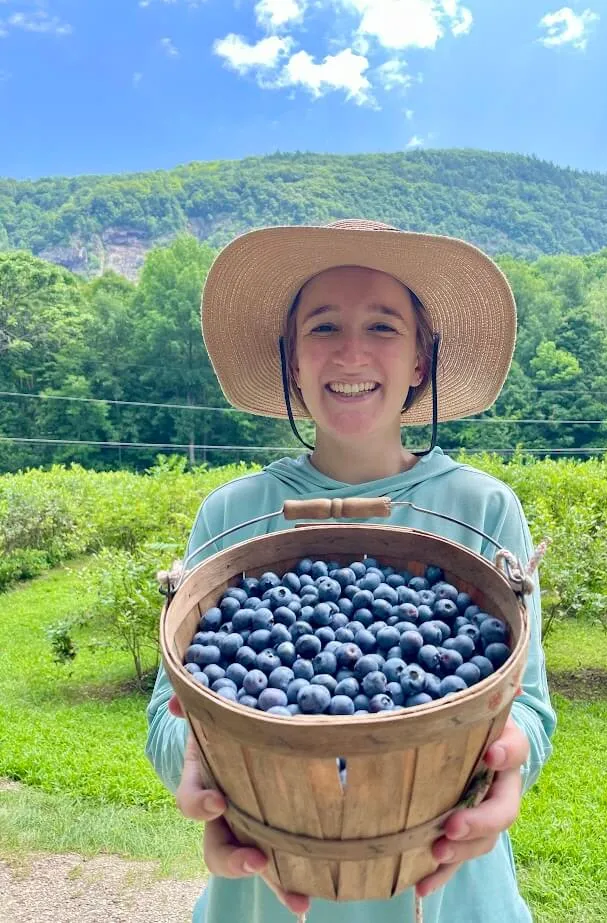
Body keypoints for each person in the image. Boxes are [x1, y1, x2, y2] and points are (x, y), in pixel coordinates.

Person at [145, 218, 556, 923]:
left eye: (384, 326)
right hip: (268, 885)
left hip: (447, 889)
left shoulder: (482, 509)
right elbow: (171, 712)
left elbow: (526, 704)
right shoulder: (232, 514)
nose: (352, 350)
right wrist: (206, 762)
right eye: (323, 326)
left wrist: (511, 757)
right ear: (291, 360)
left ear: (422, 360)